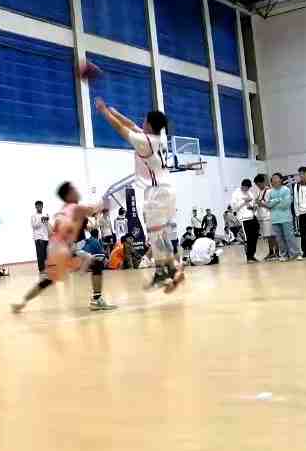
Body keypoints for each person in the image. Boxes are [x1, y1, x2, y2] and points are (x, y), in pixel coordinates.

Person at [94, 98, 184, 291]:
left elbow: (121, 129)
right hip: (167, 190)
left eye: (145, 120)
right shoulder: (159, 138)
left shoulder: (145, 142)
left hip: (157, 193)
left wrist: (104, 111)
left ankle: (167, 271)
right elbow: (130, 124)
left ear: (149, 124)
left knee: (155, 236)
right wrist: (115, 112)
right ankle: (171, 269)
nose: (142, 122)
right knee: (159, 235)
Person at [11, 182, 116, 313]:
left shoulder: (62, 211)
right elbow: (95, 208)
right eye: (74, 189)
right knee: (97, 264)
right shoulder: (75, 208)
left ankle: (22, 302)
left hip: (55, 248)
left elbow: (54, 232)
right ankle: (96, 300)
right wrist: (104, 202)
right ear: (68, 195)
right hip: (63, 249)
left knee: (48, 280)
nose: (77, 191)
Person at [265, 173, 300, 261]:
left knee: (289, 237)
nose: (274, 180)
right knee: (279, 239)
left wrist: (274, 202)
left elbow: (285, 204)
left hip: (286, 218)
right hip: (275, 219)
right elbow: (268, 204)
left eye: (276, 178)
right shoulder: (270, 192)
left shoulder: (286, 190)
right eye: (273, 178)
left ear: (281, 180)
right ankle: (284, 255)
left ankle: (295, 254)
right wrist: (278, 200)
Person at [231, 179, 259, 263]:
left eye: (248, 188)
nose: (247, 189)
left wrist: (253, 207)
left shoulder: (249, 193)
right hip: (244, 219)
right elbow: (234, 207)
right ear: (242, 186)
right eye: (246, 187)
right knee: (248, 238)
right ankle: (249, 257)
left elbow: (253, 203)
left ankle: (252, 255)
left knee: (255, 237)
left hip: (252, 216)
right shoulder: (236, 194)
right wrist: (244, 201)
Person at [254, 174, 279, 261]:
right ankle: (271, 252)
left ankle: (277, 252)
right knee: (268, 236)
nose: (258, 186)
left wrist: (261, 204)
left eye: (259, 184)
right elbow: (259, 204)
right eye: (256, 185)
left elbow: (271, 205)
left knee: (273, 235)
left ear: (263, 182)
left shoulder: (269, 191)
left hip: (269, 217)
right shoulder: (259, 192)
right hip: (262, 217)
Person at [30, 201, 50, 278]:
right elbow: (34, 226)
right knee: (40, 254)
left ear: (42, 206)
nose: (39, 207)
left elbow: (47, 225)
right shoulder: (33, 216)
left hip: (46, 237)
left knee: (46, 254)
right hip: (38, 237)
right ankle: (41, 269)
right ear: (36, 207)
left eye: (40, 206)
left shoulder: (45, 214)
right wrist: (41, 220)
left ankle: (46, 268)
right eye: (38, 206)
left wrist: (47, 220)